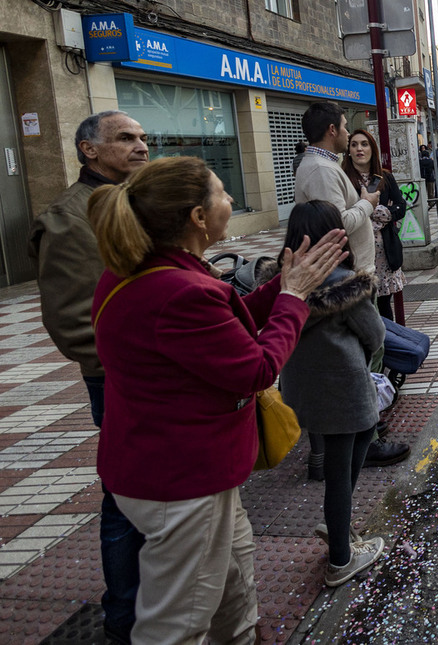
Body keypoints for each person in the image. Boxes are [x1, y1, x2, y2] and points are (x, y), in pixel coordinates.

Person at [88, 155, 347, 644]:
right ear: (198, 218)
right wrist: (292, 300)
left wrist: (283, 287)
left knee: (232, 591)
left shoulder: (148, 273)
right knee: (178, 623)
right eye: (222, 192)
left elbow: (217, 334)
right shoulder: (177, 289)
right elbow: (254, 369)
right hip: (181, 481)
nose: (232, 200)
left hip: (180, 469)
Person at [27, 110, 148, 644]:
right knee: (124, 499)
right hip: (123, 381)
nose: (141, 146)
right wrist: (133, 367)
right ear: (88, 151)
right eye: (126, 138)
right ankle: (123, 617)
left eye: (144, 137)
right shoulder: (70, 217)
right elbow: (73, 322)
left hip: (160, 376)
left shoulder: (136, 201)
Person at [269, 201, 387, 588]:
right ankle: (340, 556)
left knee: (339, 465)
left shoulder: (282, 284)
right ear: (336, 234)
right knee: (342, 472)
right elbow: (376, 336)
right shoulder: (345, 283)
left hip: (301, 391)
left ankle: (338, 526)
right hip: (346, 390)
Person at [295, 101, 379, 274]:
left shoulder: (324, 165)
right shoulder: (321, 169)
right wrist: (367, 204)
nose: (348, 133)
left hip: (351, 273)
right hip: (349, 278)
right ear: (332, 130)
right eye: (345, 127)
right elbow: (339, 224)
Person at [343, 129, 407, 321]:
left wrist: (377, 211)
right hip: (357, 251)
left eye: (364, 144)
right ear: (348, 151)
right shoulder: (344, 179)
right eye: (354, 145)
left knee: (384, 303)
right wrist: (369, 208)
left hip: (384, 251)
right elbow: (345, 213)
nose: (359, 149)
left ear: (372, 149)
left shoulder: (385, 177)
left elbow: (401, 206)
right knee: (362, 304)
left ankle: (389, 346)